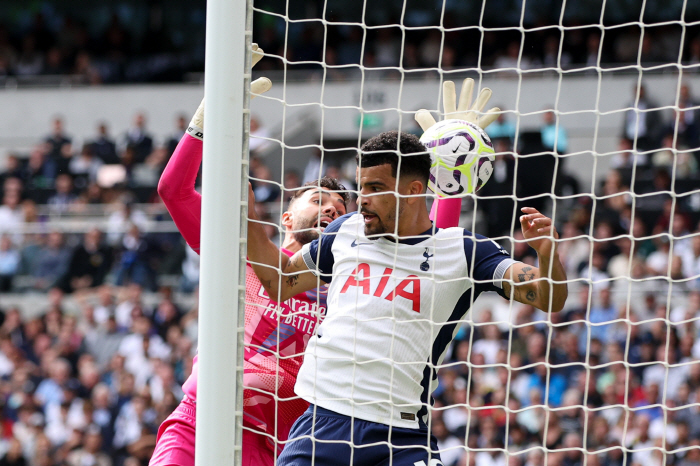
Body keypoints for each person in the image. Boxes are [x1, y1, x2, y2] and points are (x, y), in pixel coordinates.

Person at [246, 129, 568, 465]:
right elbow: (279, 282)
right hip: (321, 424)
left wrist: (547, 254)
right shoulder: (345, 231)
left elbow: (548, 297)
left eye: (375, 188)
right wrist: (249, 216)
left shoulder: (465, 250)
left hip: (400, 437)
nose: (362, 199)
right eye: (361, 187)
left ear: (414, 191)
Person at [149, 43, 350, 466]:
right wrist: (208, 117)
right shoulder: (238, 249)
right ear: (288, 216)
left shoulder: (348, 290)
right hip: (198, 424)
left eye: (340, 209)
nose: (331, 207)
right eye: (318, 198)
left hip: (275, 448)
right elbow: (173, 190)